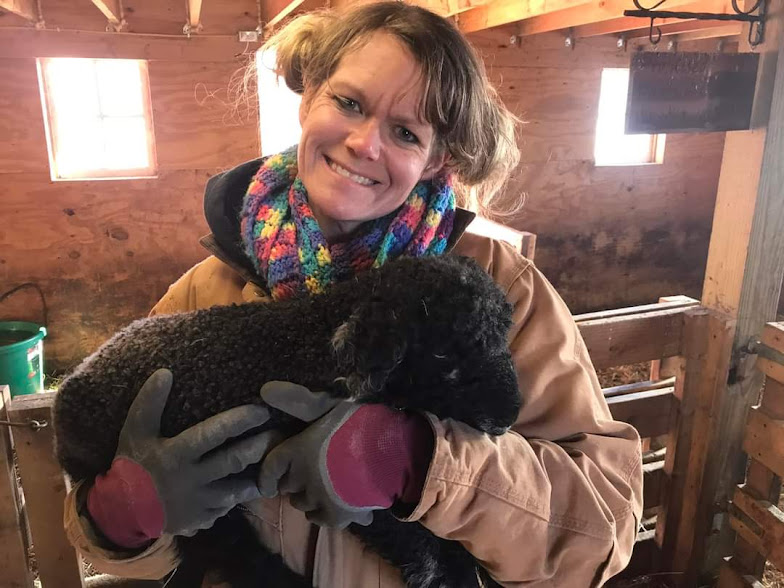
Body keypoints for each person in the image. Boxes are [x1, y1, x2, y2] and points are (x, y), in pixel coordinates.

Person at [63, 2, 643, 586]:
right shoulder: (205, 291)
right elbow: (105, 524)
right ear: (310, 96)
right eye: (349, 102)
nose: (365, 143)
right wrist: (127, 514)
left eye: (405, 132)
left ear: (436, 158)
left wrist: (415, 462)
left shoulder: (495, 290)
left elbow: (601, 529)